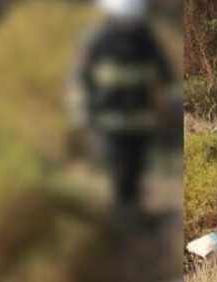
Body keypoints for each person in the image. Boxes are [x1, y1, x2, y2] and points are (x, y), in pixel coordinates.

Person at [68, 0, 173, 212]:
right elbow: (81, 78)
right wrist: (82, 115)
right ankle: (124, 214)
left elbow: (165, 76)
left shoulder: (142, 39)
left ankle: (129, 213)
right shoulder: (103, 38)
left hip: (132, 122)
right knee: (121, 173)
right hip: (115, 122)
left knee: (132, 172)